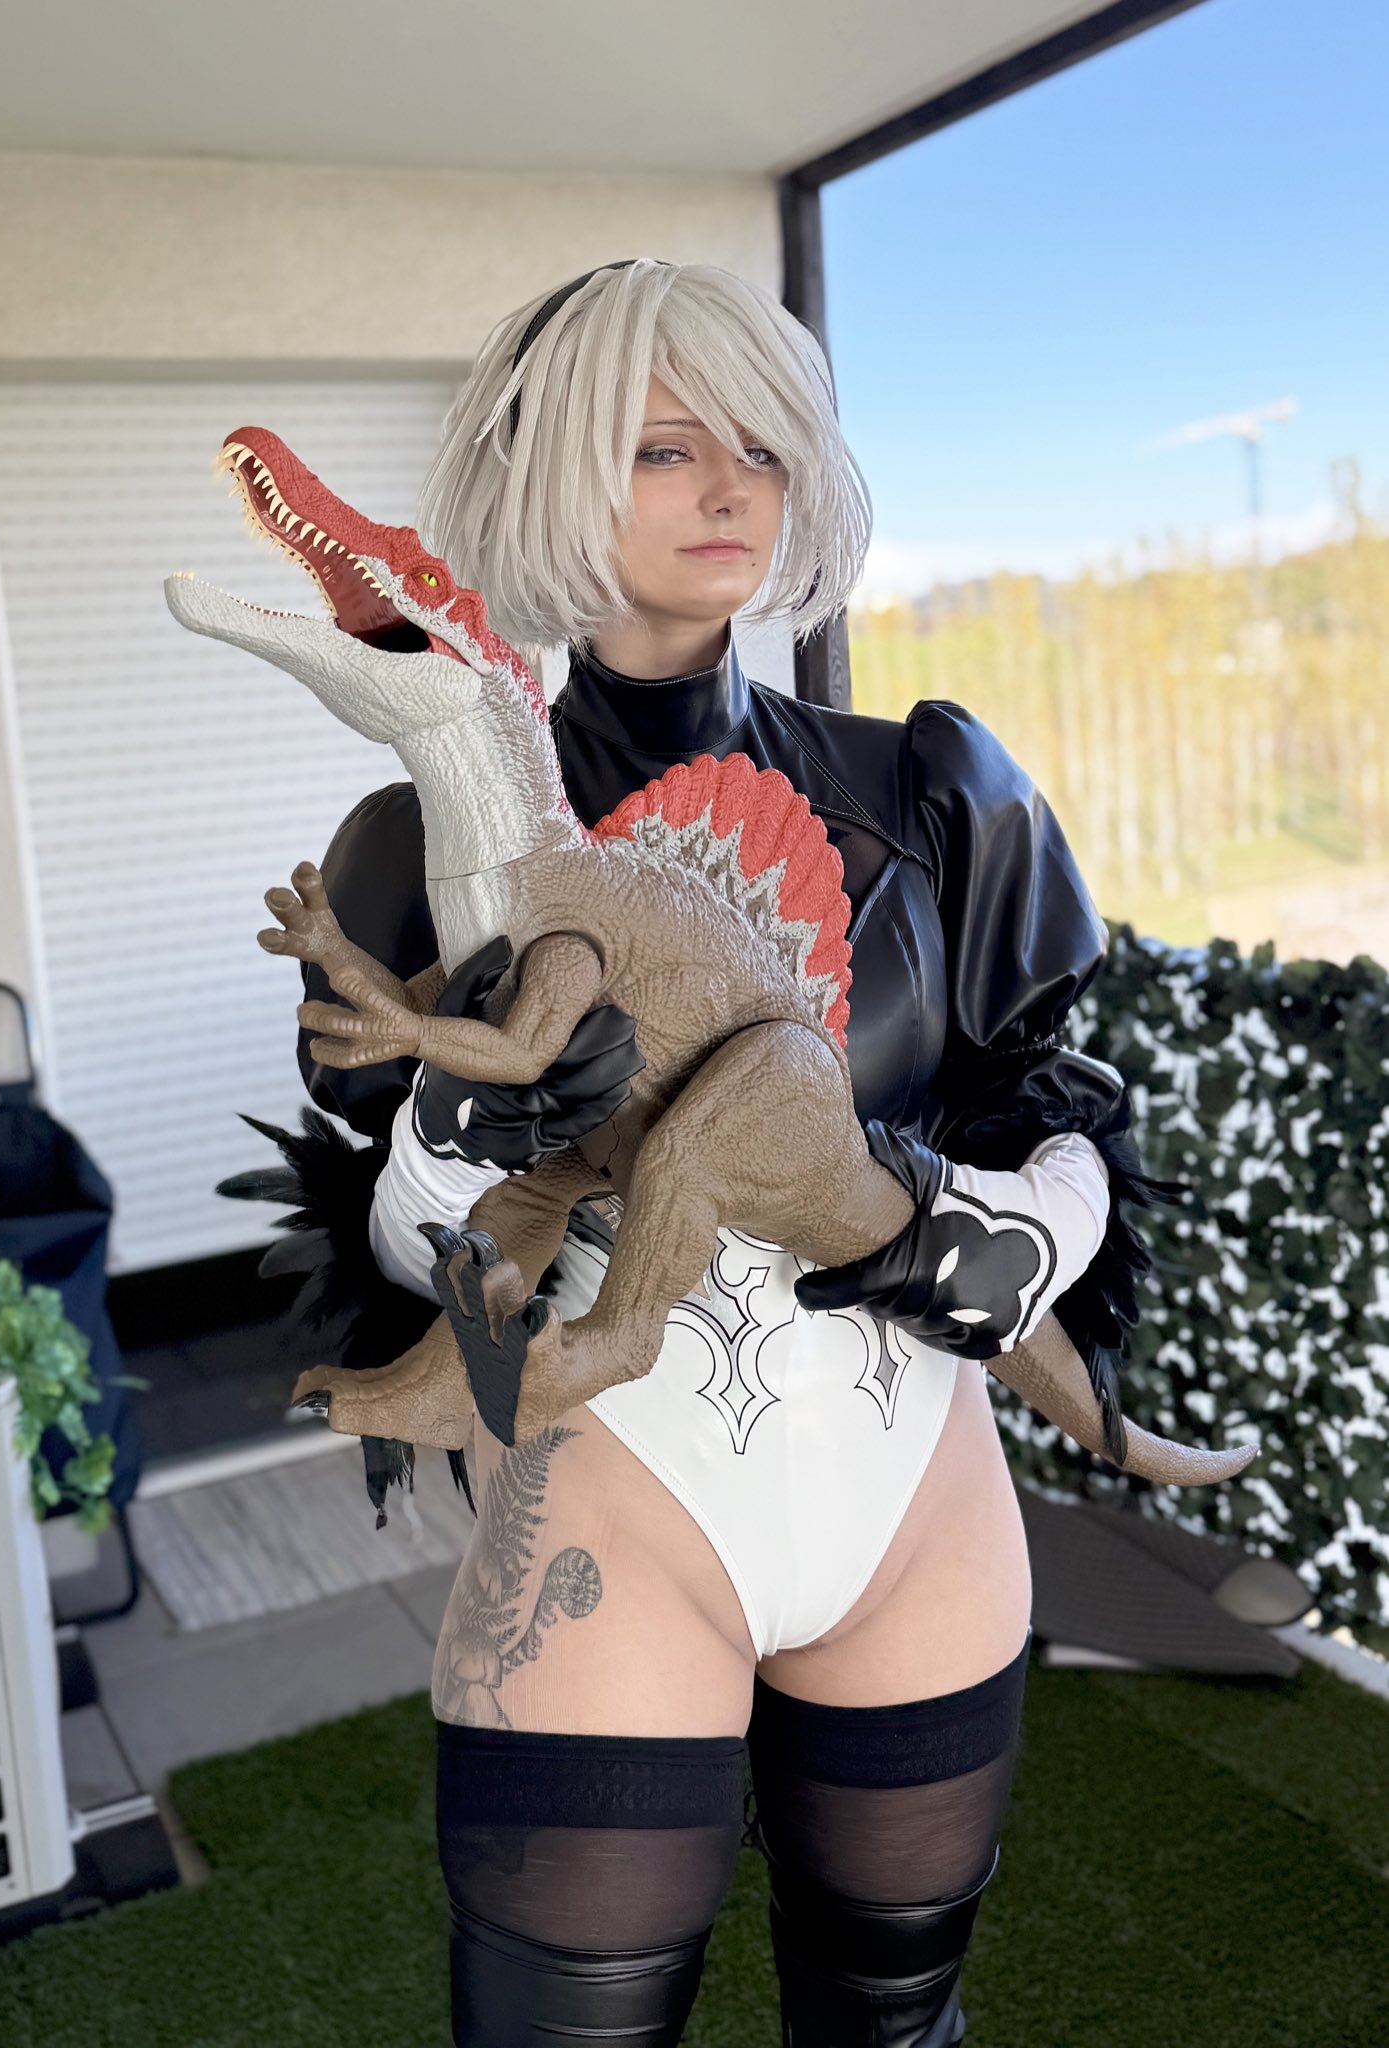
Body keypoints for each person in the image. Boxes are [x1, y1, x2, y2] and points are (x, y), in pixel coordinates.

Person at [290, 258, 1161, 2046]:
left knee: (893, 2028)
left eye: (761, 447)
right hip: (604, 1512)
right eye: (662, 446)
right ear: (549, 473)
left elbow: (1061, 1105)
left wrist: (1008, 1236)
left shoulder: (929, 793)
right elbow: (381, 1238)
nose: (728, 489)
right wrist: (457, 1133)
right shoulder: (410, 848)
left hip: (912, 1504)